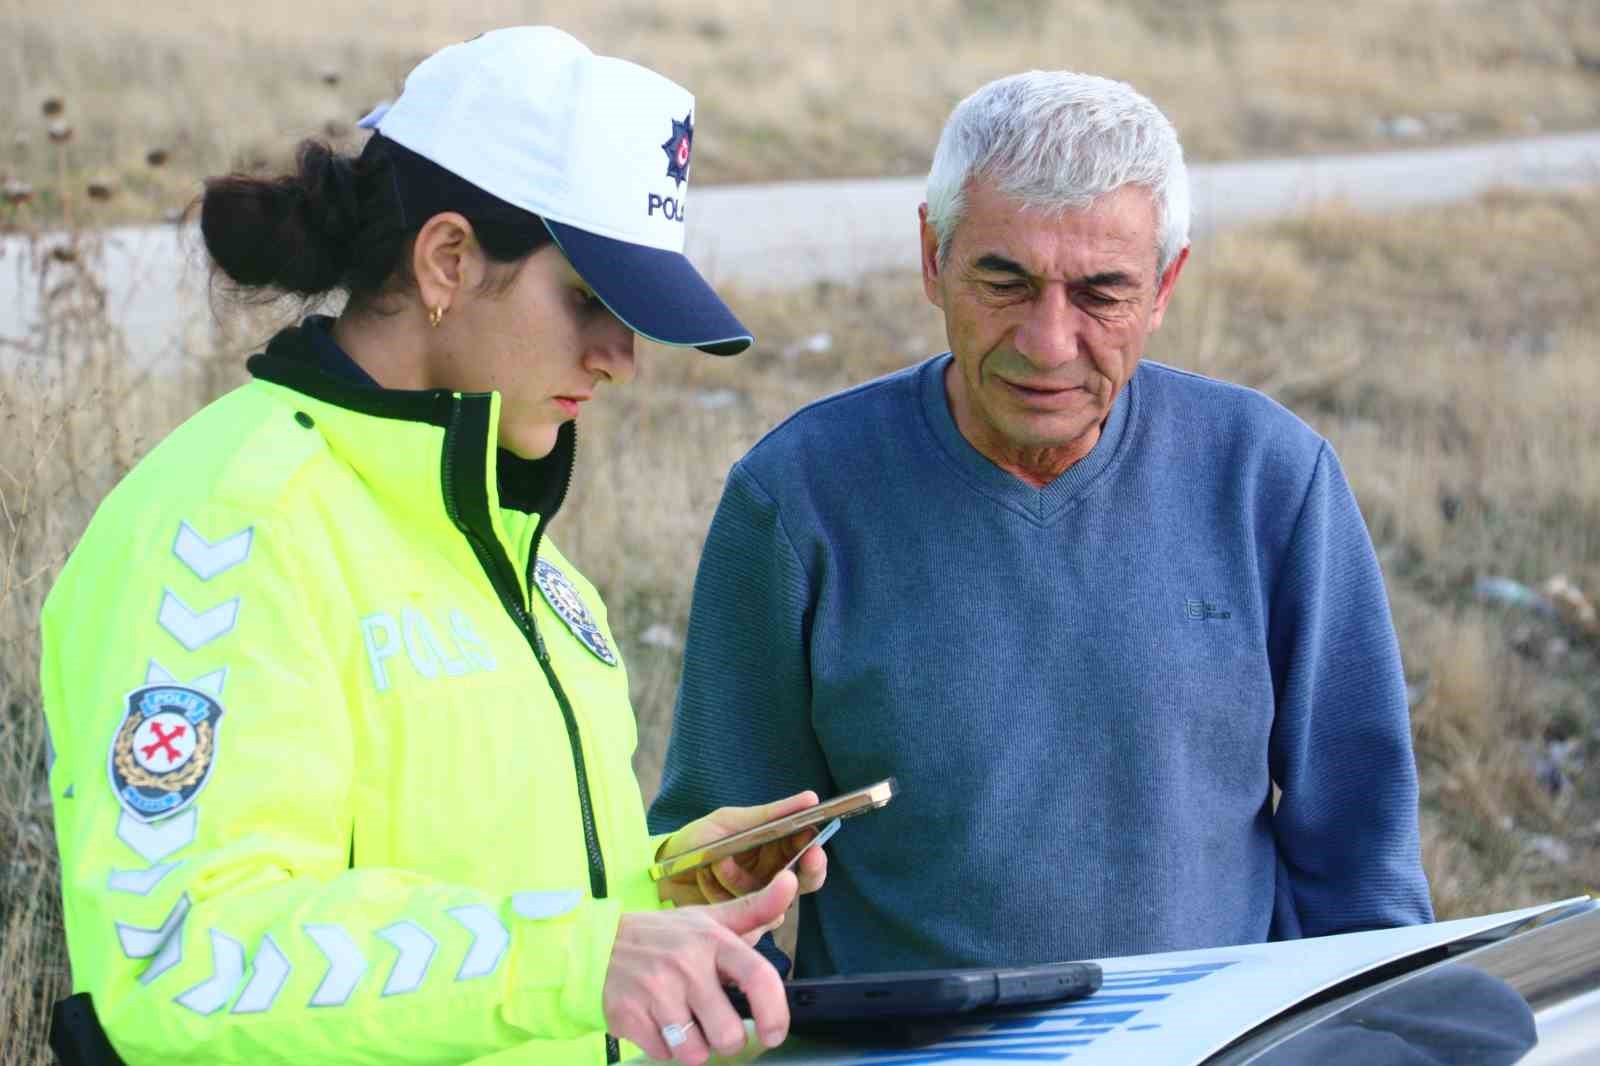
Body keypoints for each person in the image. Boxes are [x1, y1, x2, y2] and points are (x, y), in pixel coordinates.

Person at [41, 27, 827, 1066]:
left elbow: (489, 910)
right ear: (448, 259)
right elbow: (183, 955)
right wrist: (581, 955)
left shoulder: (534, 566)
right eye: (590, 300)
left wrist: (665, 889)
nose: (621, 358)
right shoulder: (226, 534)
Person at [649, 70, 1433, 979]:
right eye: (1004, 281)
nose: (1048, 342)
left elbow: (1363, 869)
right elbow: (711, 891)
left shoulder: (1271, 481)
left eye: (1101, 292)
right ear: (933, 257)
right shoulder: (797, 500)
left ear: (1165, 283)